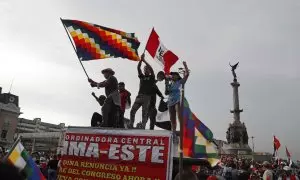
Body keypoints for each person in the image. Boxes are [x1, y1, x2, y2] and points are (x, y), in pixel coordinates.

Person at [130, 54, 156, 129]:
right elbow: (138, 68)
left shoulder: (152, 77)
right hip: (139, 96)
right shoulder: (142, 77)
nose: (146, 70)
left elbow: (152, 69)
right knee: (132, 111)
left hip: (147, 97)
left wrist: (144, 61)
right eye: (145, 69)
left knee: (144, 113)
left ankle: (143, 126)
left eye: (147, 69)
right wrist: (141, 60)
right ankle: (131, 124)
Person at [165, 61, 189, 134]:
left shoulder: (179, 82)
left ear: (177, 76)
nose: (173, 76)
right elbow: (166, 93)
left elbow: (187, 75)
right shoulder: (170, 84)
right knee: (172, 117)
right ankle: (174, 131)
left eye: (174, 75)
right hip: (170, 102)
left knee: (179, 114)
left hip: (177, 101)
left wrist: (185, 65)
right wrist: (166, 83)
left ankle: (182, 129)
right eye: (172, 75)